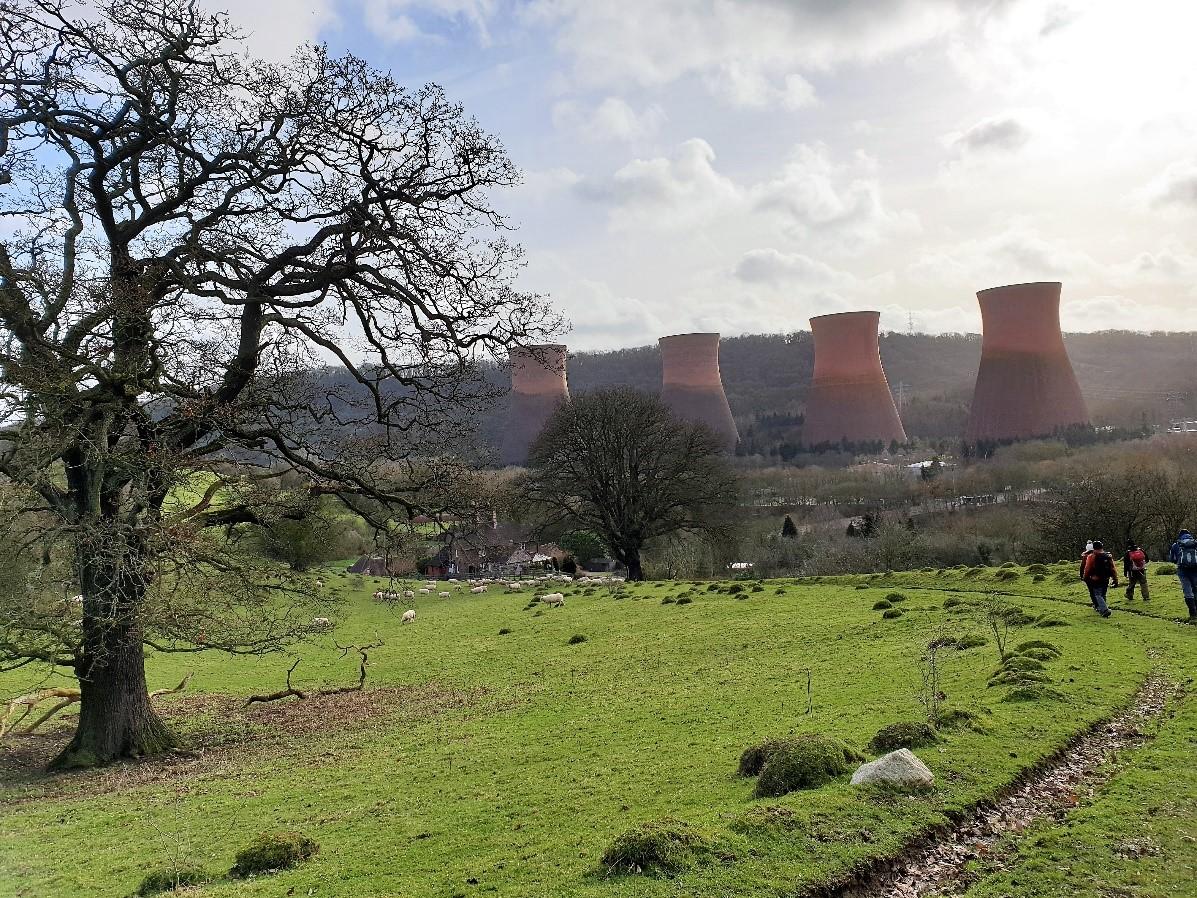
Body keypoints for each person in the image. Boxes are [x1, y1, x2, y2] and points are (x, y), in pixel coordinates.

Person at [1080, 539, 1117, 617]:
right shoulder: (1108, 556)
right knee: (1103, 594)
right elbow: (1113, 568)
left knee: (1097, 594)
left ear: (1094, 548)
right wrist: (1115, 578)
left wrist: (1085, 578)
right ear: (1102, 547)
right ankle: (1102, 608)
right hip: (1106, 578)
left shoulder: (1091, 556)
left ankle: (1104, 610)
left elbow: (1088, 568)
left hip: (1096, 579)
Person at [1167, 529, 1197, 622]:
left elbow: (1172, 559)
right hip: (1196, 569)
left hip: (1183, 571)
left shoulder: (1176, 545)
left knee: (1187, 591)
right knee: (1196, 589)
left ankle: (1193, 614)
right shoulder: (1195, 543)